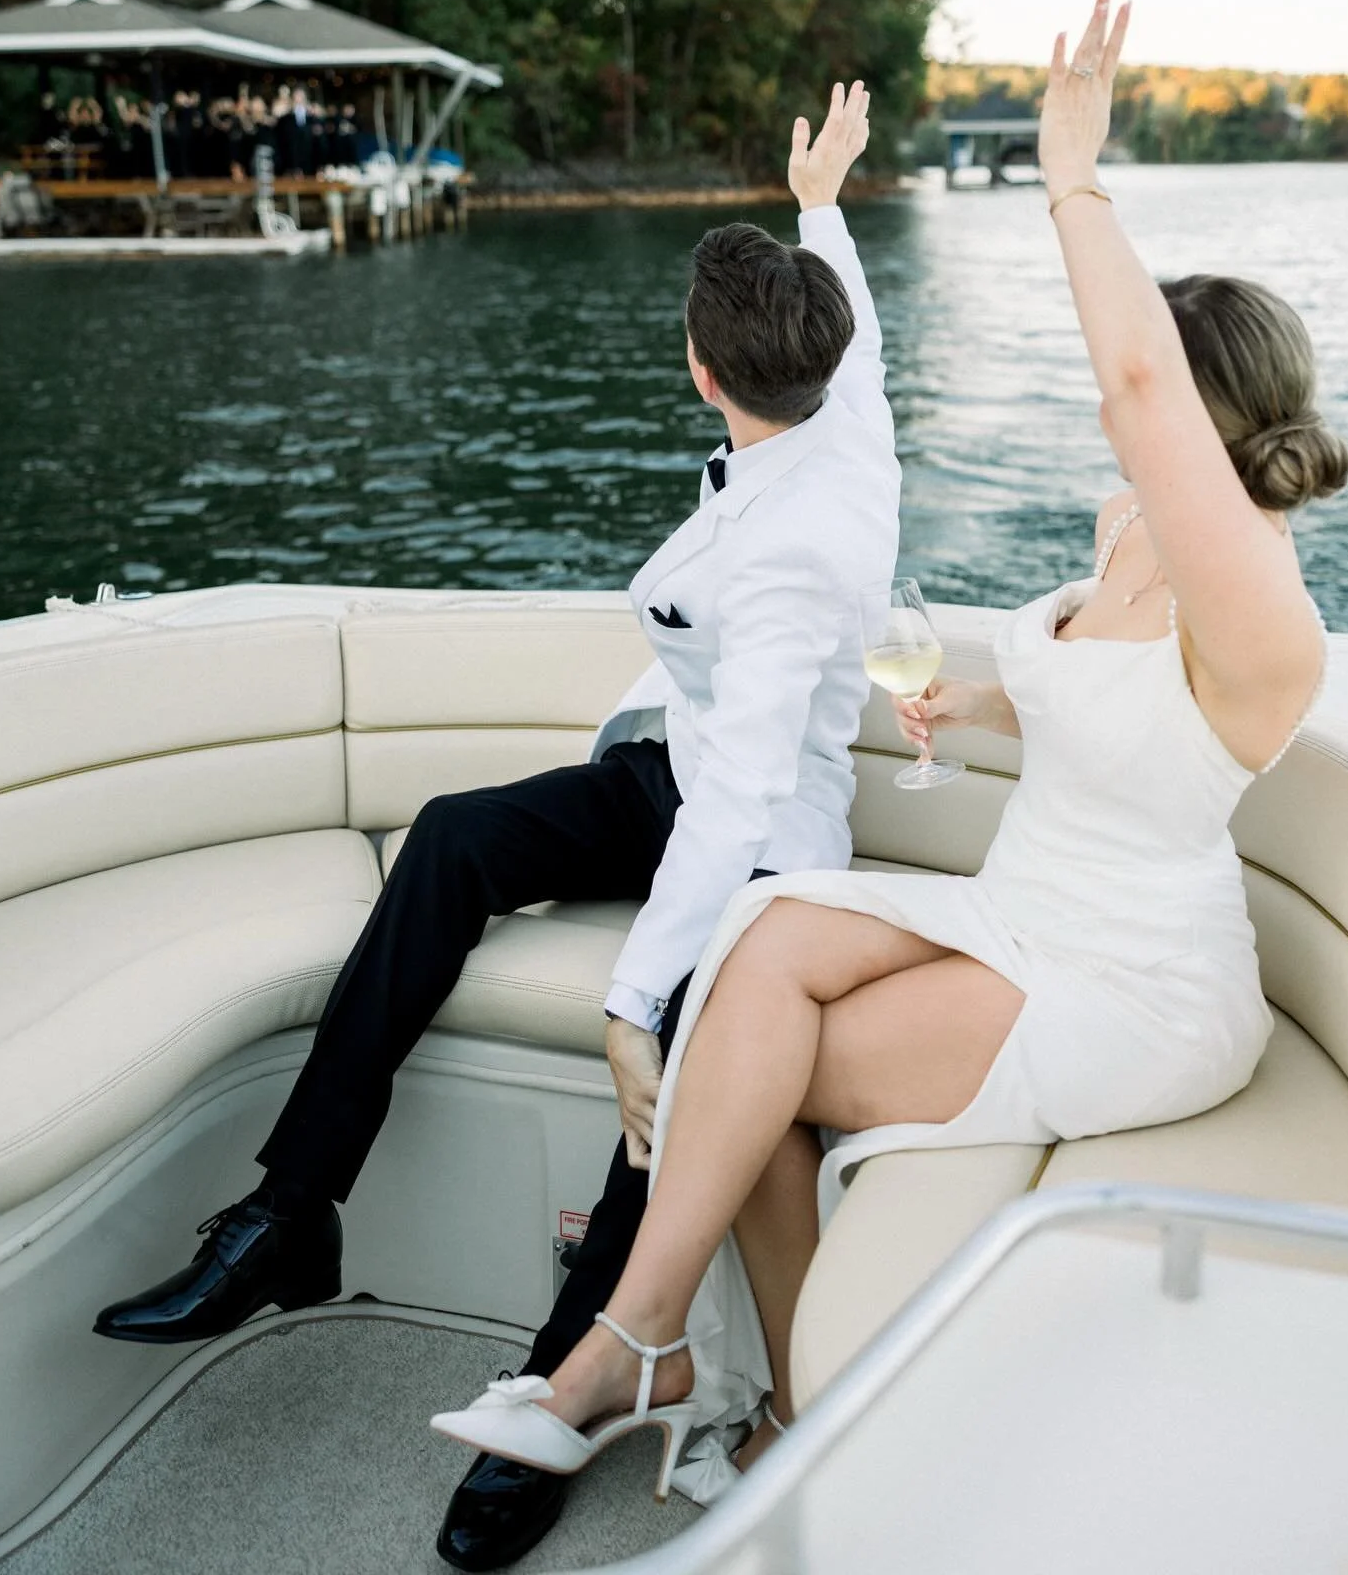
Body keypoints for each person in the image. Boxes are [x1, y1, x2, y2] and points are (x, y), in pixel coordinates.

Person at [432, 0, 1348, 1507]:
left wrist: (1074, 175)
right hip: (1019, 912)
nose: (1120, 424)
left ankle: (663, 1362)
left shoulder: (1268, 615)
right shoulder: (1130, 537)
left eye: (1152, 409)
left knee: (765, 1061)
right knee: (760, 936)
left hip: (1131, 982)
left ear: (1197, 415)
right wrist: (990, 702)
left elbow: (1135, 389)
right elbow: (1121, 702)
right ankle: (708, 1376)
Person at [92, 83, 903, 1559]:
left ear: (701, 372)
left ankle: (562, 1385)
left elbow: (734, 813)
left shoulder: (800, 544)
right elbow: (852, 323)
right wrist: (824, 205)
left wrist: (633, 996)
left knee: (660, 1076)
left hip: (761, 841)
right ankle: (289, 1212)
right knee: (455, 833)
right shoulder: (842, 418)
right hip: (676, 774)